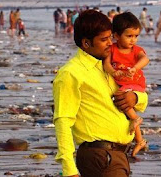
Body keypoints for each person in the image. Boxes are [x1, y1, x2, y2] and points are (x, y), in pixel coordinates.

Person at [53, 10, 148, 177]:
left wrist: (135, 97)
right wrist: (69, 170)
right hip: (100, 156)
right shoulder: (71, 73)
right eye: (104, 40)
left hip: (117, 155)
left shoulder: (108, 68)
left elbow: (139, 98)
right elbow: (63, 121)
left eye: (111, 37)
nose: (110, 43)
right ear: (86, 43)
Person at [104, 12, 149, 158]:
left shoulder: (136, 50)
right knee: (123, 104)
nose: (133, 40)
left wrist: (135, 68)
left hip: (135, 84)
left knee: (120, 98)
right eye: (129, 36)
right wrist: (113, 72)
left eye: (136, 36)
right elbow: (106, 64)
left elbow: (145, 59)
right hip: (123, 84)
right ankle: (140, 140)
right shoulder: (113, 49)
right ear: (116, 36)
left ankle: (136, 122)